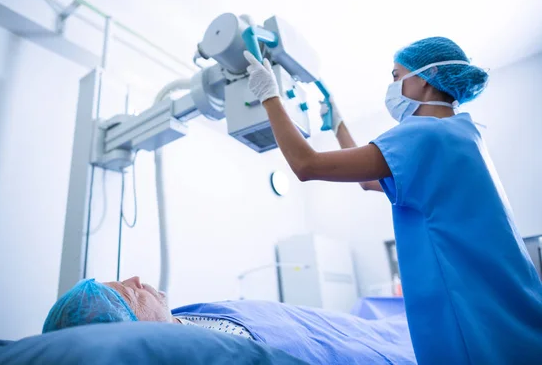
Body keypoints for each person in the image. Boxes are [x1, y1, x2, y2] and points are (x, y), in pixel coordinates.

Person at [242, 37, 542, 365]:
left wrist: (268, 95)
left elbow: (306, 165)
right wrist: (339, 125)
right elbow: (369, 180)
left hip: (472, 321)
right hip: (513, 315)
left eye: (397, 76)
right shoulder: (462, 133)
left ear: (426, 78)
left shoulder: (423, 133)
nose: (393, 86)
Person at [43, 277, 416, 364]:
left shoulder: (186, 318)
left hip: (349, 327)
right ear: (127, 331)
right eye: (128, 293)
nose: (138, 280)